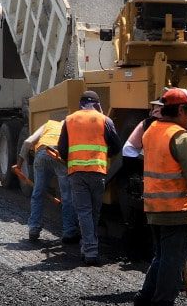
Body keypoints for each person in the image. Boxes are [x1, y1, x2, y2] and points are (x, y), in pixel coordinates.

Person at [133, 87, 187, 306]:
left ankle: (142, 305)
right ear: (180, 109)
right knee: (174, 261)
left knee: (161, 258)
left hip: (153, 207)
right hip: (176, 209)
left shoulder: (151, 131)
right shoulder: (181, 137)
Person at [56, 90, 120, 266]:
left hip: (77, 172)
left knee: (83, 211)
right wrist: (102, 155)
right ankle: (90, 248)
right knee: (94, 211)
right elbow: (116, 146)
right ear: (97, 104)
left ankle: (89, 249)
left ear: (81, 104)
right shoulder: (105, 120)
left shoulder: (69, 120)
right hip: (98, 172)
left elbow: (62, 149)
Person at [20, 117, 78, 245]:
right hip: (60, 156)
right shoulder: (70, 127)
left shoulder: (48, 124)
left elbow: (27, 142)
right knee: (67, 196)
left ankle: (34, 228)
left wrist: (18, 165)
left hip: (42, 154)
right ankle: (69, 231)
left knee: (38, 194)